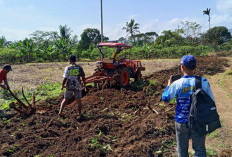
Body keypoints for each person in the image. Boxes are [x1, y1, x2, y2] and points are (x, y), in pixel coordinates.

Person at [162, 55, 215, 157]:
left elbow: (165, 98)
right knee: (199, 150)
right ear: (195, 67)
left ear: (182, 67)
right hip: (198, 121)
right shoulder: (203, 81)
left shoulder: (177, 83)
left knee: (182, 150)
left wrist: (169, 85)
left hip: (181, 121)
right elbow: (211, 101)